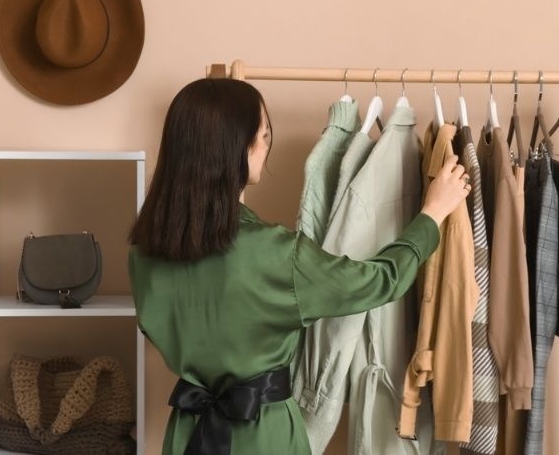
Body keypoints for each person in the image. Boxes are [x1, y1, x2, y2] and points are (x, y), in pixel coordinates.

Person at [128, 78, 470, 455]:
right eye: (264, 134)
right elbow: (380, 281)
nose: (266, 145)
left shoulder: (143, 254)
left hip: (186, 435)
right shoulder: (274, 253)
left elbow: (155, 328)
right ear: (239, 147)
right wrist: (431, 214)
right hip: (263, 434)